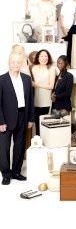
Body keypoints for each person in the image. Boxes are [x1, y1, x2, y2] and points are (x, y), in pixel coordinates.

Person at [0, 53, 34, 185]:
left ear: (21, 64)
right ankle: (6, 174)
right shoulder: (2, 80)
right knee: (4, 148)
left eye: (18, 62)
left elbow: (30, 100)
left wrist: (30, 119)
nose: (15, 65)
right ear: (9, 63)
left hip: (22, 116)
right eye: (13, 62)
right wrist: (1, 122)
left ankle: (16, 172)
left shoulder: (26, 79)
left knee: (19, 146)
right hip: (6, 118)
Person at [31, 49, 56, 135]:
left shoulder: (51, 68)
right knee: (37, 124)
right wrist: (35, 84)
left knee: (45, 124)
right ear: (38, 57)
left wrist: (36, 85)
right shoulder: (34, 68)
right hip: (36, 100)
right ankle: (38, 141)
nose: (44, 58)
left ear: (48, 57)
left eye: (46, 56)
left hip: (46, 100)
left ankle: (46, 141)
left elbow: (51, 86)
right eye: (41, 56)